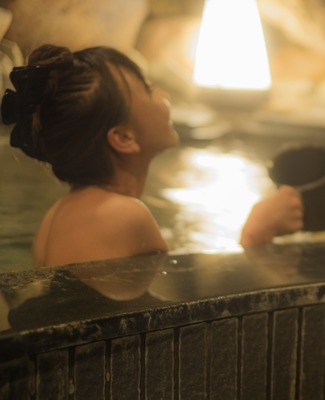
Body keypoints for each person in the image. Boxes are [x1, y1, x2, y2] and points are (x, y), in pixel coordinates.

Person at [1, 44, 303, 268]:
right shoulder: (121, 215)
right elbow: (196, 319)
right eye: (148, 88)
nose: (164, 96)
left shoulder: (57, 214)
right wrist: (257, 232)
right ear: (123, 138)